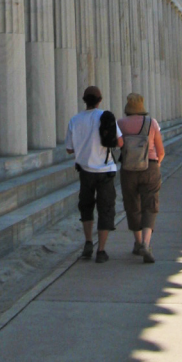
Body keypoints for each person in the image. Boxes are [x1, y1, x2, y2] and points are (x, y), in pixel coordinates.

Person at [65, 86, 123, 263]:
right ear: (99, 100)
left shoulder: (74, 120)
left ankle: (88, 241)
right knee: (105, 209)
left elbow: (69, 149)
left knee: (86, 207)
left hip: (85, 172)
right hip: (105, 171)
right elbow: (120, 143)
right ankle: (101, 250)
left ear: (84, 100)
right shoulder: (105, 116)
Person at [117, 92, 165, 264]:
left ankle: (137, 242)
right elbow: (161, 151)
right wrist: (156, 164)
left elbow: (118, 145)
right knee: (150, 205)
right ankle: (146, 243)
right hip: (150, 166)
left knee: (132, 205)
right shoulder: (151, 123)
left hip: (128, 169)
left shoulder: (120, 124)